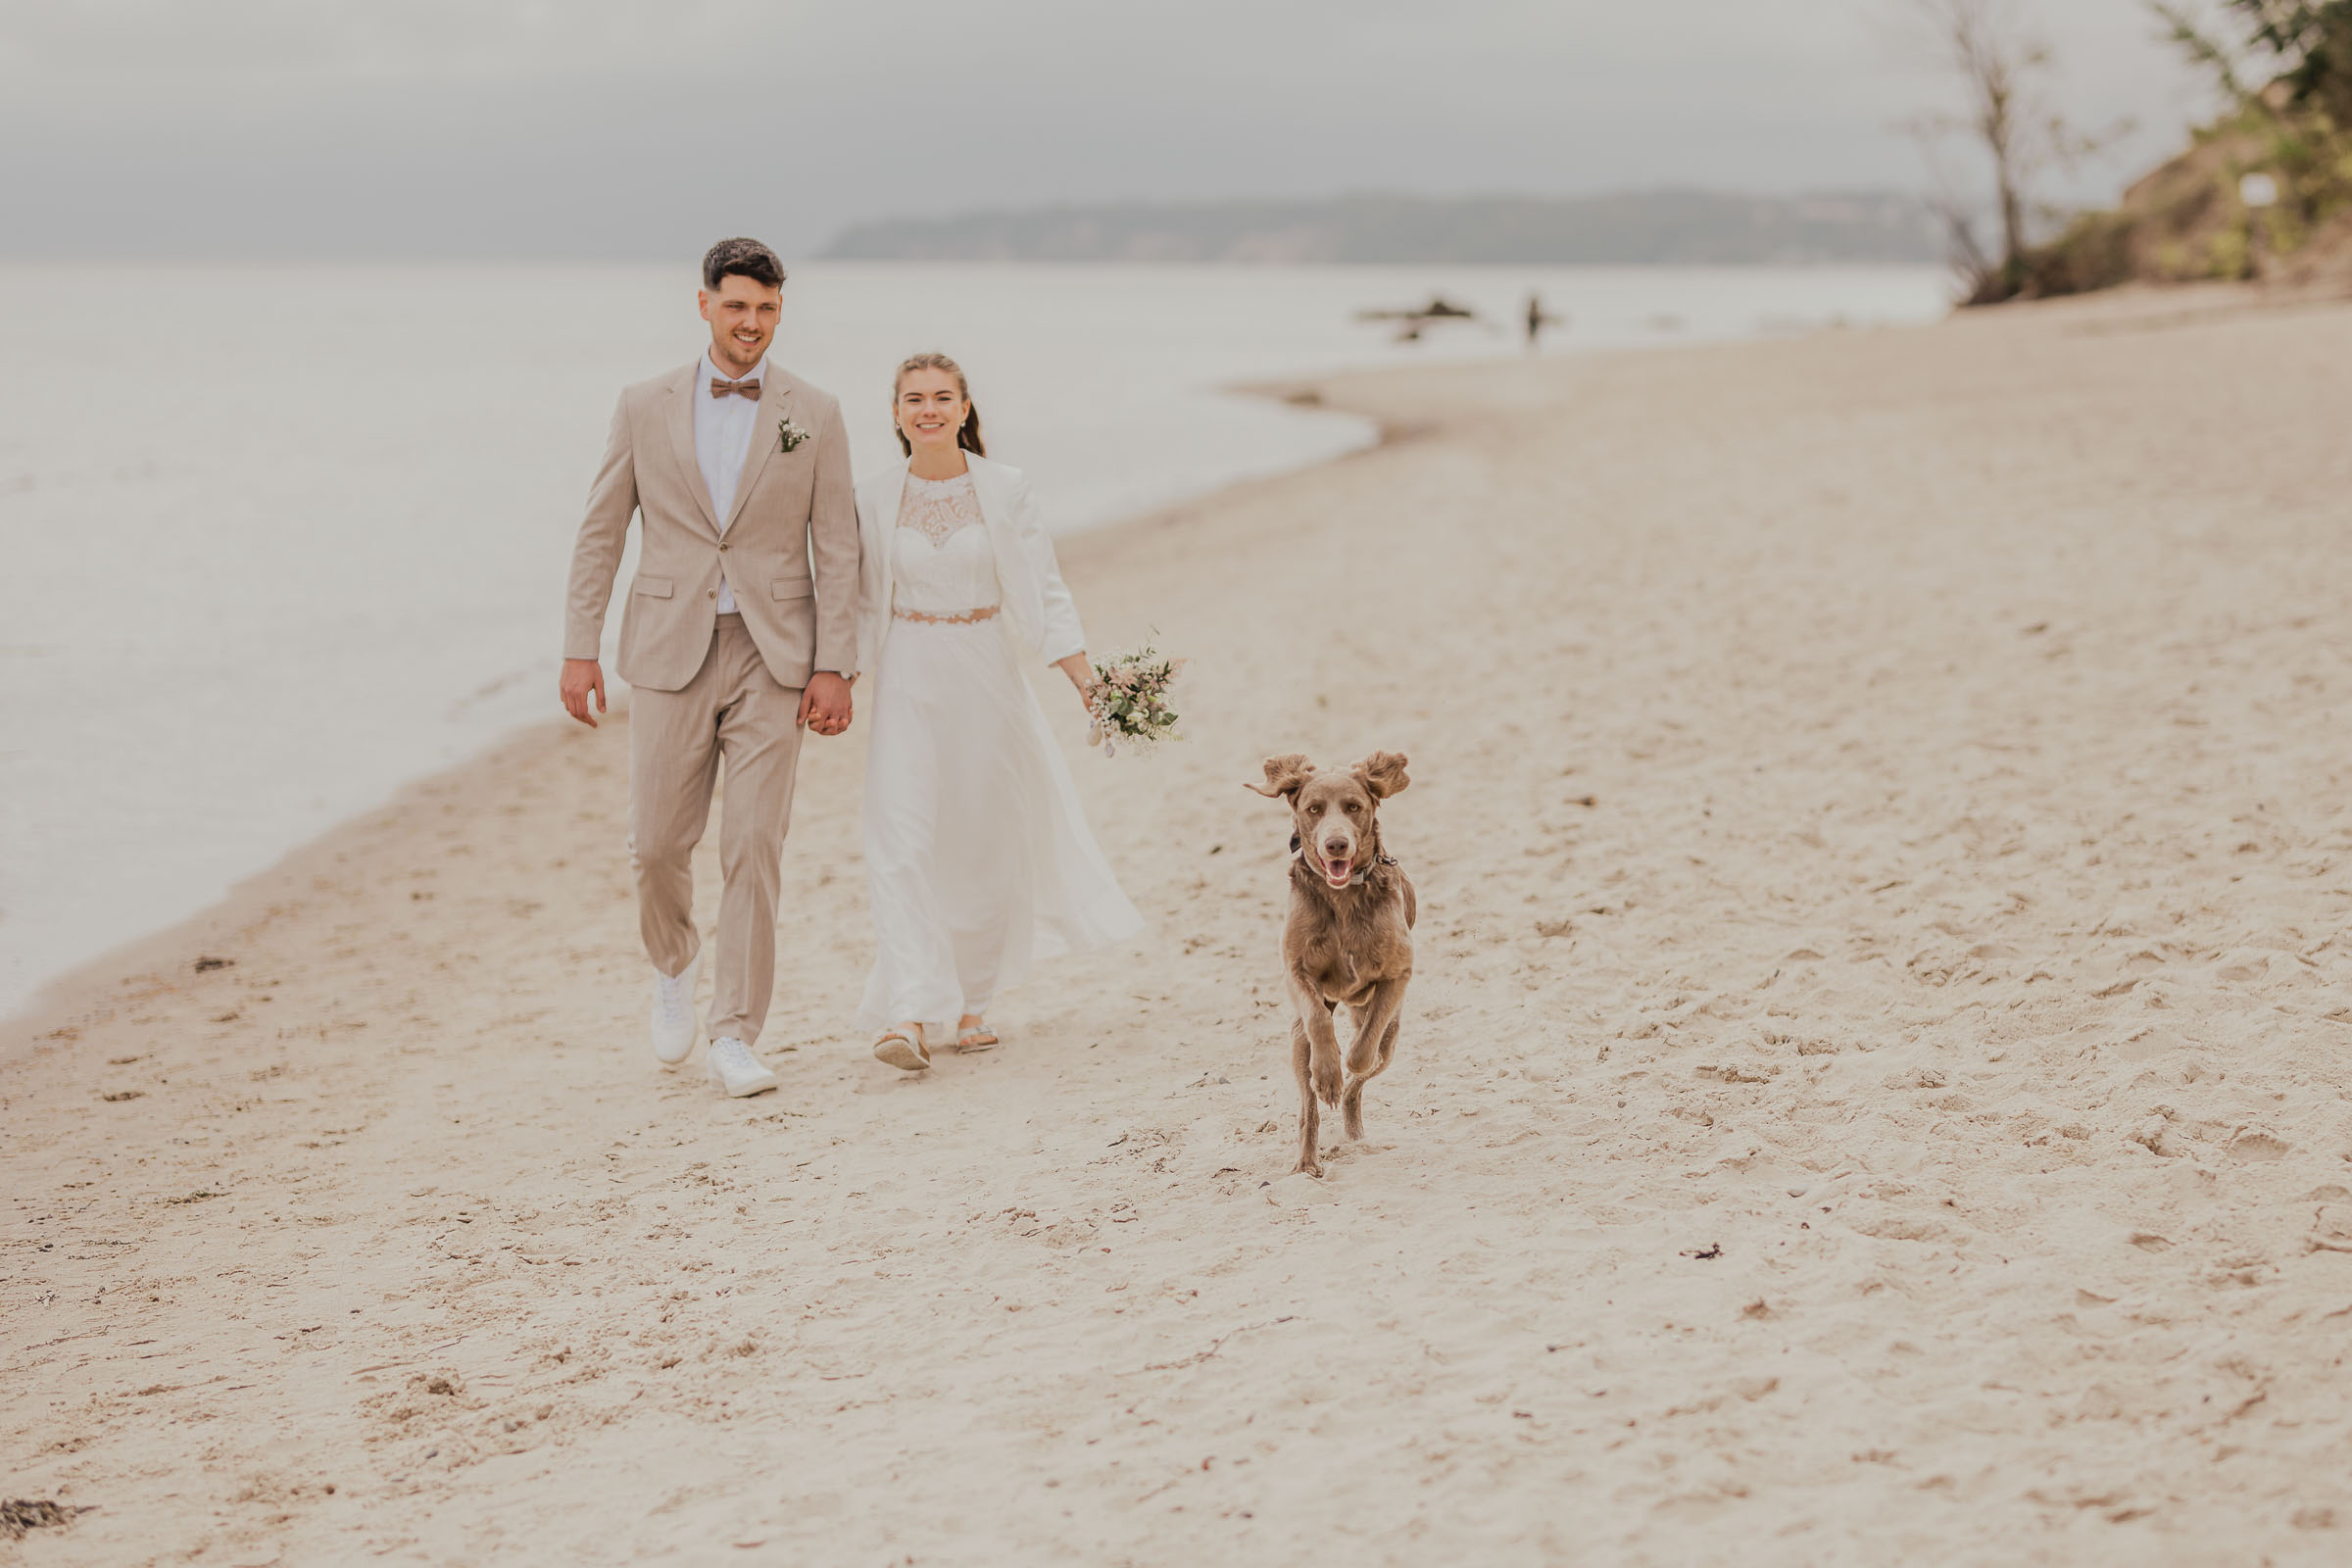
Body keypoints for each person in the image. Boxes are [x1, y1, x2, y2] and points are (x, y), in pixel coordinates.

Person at [560, 237, 860, 1099]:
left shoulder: (818, 411)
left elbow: (837, 547)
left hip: (775, 655)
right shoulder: (643, 404)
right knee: (656, 843)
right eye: (737, 307)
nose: (752, 324)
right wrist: (580, 645)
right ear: (704, 306)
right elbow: (601, 531)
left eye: (766, 309)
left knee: (754, 844)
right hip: (667, 649)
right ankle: (672, 962)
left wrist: (835, 663)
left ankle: (735, 1031)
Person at [853, 353, 1144, 1070]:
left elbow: (1042, 591)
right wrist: (830, 680)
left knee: (982, 840)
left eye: (942, 397)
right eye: (914, 398)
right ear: (895, 413)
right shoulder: (872, 497)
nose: (928, 409)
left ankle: (973, 1000)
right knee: (900, 839)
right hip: (907, 677)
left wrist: (1085, 679)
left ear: (964, 408)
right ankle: (912, 1014)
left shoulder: (1006, 489)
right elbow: (855, 601)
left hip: (984, 671)